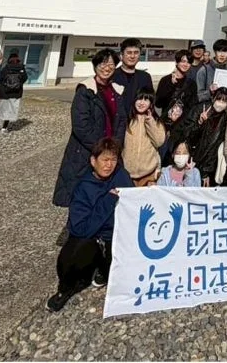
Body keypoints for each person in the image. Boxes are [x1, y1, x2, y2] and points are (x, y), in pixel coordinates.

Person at [46, 137, 134, 312]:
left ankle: (104, 270)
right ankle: (66, 288)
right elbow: (80, 229)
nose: (109, 165)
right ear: (93, 161)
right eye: (105, 160)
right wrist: (108, 200)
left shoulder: (121, 176)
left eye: (113, 160)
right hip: (94, 238)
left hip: (118, 237)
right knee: (70, 256)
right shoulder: (83, 188)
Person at [53, 49, 128, 232]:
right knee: (83, 192)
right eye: (102, 64)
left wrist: (114, 147)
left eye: (111, 64)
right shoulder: (85, 90)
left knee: (112, 190)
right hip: (87, 152)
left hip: (111, 151)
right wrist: (100, 149)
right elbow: (81, 125)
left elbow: (121, 120)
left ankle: (105, 231)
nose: (107, 68)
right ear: (95, 66)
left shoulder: (116, 90)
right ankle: (79, 233)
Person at [122, 88, 166, 186]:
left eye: (146, 100)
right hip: (128, 175)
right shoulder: (128, 120)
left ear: (151, 103)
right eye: (139, 99)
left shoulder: (155, 121)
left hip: (148, 175)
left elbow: (159, 141)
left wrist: (150, 121)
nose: (141, 103)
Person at [190, 87, 227, 187]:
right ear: (213, 99)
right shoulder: (203, 111)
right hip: (195, 160)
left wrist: (206, 172)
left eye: (224, 101)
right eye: (219, 99)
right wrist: (200, 123)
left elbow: (214, 147)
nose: (220, 103)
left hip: (210, 165)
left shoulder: (225, 118)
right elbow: (191, 137)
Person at [113, 38, 153, 119]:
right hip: (116, 125)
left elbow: (150, 102)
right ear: (121, 55)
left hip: (138, 125)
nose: (132, 56)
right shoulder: (112, 76)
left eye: (136, 53)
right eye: (129, 52)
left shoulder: (145, 77)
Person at [0, 51, 28, 134]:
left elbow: (0, 78)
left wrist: (4, 85)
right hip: (16, 93)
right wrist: (18, 84)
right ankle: (4, 128)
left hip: (4, 92)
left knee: (0, 109)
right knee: (10, 110)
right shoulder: (21, 68)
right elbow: (25, 78)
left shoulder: (6, 67)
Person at [194, 38, 227, 105]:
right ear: (215, 52)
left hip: (222, 113)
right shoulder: (204, 70)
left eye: (225, 51)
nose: (222, 55)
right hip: (205, 112)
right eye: (219, 51)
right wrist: (210, 92)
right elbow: (198, 97)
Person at [155, 50, 195, 114]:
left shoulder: (191, 83)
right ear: (176, 62)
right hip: (166, 121)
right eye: (183, 61)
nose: (186, 64)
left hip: (184, 121)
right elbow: (158, 104)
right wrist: (171, 85)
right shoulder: (165, 80)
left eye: (188, 62)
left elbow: (192, 106)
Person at [160, 96, 195, 165]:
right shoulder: (162, 125)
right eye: (173, 110)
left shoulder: (183, 128)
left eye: (179, 111)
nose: (175, 112)